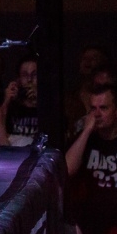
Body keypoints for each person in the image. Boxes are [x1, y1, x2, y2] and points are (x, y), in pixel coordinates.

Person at [65, 83, 117, 234]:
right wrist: (86, 131)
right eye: (93, 108)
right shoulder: (86, 140)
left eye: (104, 108)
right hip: (88, 221)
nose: (97, 114)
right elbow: (66, 170)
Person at [3, 55, 39, 140]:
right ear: (18, 79)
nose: (29, 79)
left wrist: (40, 100)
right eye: (25, 75)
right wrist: (6, 101)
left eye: (34, 74)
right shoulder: (13, 105)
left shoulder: (50, 103)